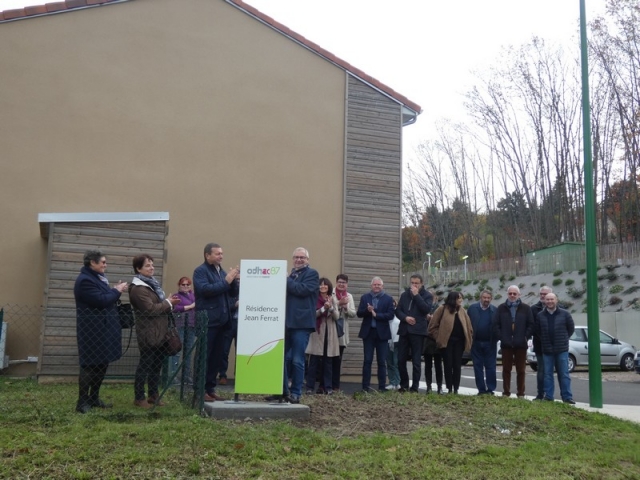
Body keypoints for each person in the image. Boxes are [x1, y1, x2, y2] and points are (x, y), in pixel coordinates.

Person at [73, 250, 128, 413]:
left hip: (103, 329)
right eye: (102, 262)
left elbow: (105, 297)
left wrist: (114, 290)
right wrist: (117, 290)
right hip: (92, 330)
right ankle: (82, 402)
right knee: (89, 365)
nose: (105, 265)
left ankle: (94, 398)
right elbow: (102, 301)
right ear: (92, 263)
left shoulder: (97, 279)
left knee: (102, 364)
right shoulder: (85, 281)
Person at [129, 254, 180, 408]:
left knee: (156, 365)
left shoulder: (151, 285)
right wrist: (167, 303)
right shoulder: (138, 289)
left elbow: (159, 305)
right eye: (147, 266)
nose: (151, 268)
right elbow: (150, 309)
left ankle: (153, 395)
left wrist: (168, 303)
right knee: (145, 365)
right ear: (138, 269)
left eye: (152, 265)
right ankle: (139, 397)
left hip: (160, 332)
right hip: (148, 333)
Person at [193, 243, 239, 402]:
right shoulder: (200, 271)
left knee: (216, 358)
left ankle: (210, 388)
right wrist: (226, 281)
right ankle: (199, 390)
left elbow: (232, 293)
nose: (221, 256)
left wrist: (234, 281)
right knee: (204, 356)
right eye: (218, 254)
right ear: (207, 255)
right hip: (208, 320)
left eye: (222, 253)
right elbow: (205, 290)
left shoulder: (221, 271)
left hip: (223, 322)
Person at [275, 247, 319, 404]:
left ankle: (296, 393)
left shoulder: (312, 274)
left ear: (308, 259)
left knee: (297, 359)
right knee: (280, 358)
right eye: (296, 257)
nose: (299, 260)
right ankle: (280, 391)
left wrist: (286, 279)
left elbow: (301, 290)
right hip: (286, 322)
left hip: (301, 323)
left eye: (302, 257)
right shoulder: (292, 275)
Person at [428, 291, 473, 394]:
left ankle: (456, 388)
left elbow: (469, 326)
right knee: (448, 364)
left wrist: (469, 337)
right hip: (446, 342)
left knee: (457, 365)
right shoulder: (442, 309)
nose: (461, 300)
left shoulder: (462, 311)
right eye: (459, 298)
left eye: (461, 298)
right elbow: (432, 326)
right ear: (453, 299)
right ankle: (449, 388)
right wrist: (439, 337)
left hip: (459, 342)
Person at [493, 285, 534, 398]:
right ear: (507, 294)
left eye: (514, 293)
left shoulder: (526, 308)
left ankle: (521, 393)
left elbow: (531, 325)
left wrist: (525, 337)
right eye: (510, 293)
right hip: (506, 345)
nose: (512, 295)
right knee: (506, 369)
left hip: (521, 344)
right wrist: (502, 337)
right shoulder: (501, 308)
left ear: (519, 295)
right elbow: (496, 325)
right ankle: (506, 392)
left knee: (521, 370)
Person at [395, 274, 433, 393]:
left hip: (418, 332)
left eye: (416, 283)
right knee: (401, 360)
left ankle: (415, 387)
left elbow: (426, 309)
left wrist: (417, 295)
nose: (414, 285)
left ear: (421, 284)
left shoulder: (427, 295)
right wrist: (405, 318)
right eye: (412, 283)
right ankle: (404, 384)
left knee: (416, 361)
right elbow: (398, 310)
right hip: (404, 330)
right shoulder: (405, 295)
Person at [356, 277, 395, 392]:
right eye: (375, 285)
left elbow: (390, 315)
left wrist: (376, 315)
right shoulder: (365, 297)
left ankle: (382, 387)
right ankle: (365, 387)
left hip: (382, 334)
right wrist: (367, 311)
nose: (376, 286)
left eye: (379, 285)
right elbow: (359, 314)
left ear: (382, 286)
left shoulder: (388, 299)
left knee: (381, 361)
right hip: (368, 333)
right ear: (371, 286)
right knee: (367, 360)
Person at [536, 293, 576, 404]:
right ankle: (548, 396)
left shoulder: (565, 314)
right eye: (547, 299)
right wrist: (545, 340)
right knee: (547, 374)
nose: (549, 301)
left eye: (551, 299)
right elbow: (538, 331)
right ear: (544, 301)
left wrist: (563, 339)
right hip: (547, 350)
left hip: (561, 350)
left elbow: (571, 329)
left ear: (556, 300)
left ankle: (567, 397)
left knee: (564, 374)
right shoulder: (540, 315)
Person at [305, 278, 340, 395]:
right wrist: (323, 308)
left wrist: (330, 307)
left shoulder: (332, 298)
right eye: (321, 285)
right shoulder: (314, 298)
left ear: (329, 287)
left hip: (330, 334)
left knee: (328, 362)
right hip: (317, 333)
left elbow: (337, 316)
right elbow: (311, 314)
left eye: (325, 285)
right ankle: (309, 387)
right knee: (313, 361)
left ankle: (327, 387)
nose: (323, 287)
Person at [467, 289, 498, 395]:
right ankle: (481, 390)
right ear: (480, 298)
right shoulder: (472, 309)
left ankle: (490, 389)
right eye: (484, 297)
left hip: (490, 343)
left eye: (488, 298)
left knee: (491, 367)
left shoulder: (495, 310)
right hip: (476, 343)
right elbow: (467, 324)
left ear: (491, 299)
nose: (486, 300)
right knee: (477, 367)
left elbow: (498, 326)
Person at [332, 273, 356, 392]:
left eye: (344, 283)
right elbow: (328, 306)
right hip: (330, 330)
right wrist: (338, 303)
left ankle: (336, 385)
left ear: (347, 284)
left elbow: (353, 313)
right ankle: (325, 384)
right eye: (339, 282)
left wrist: (346, 307)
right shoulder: (330, 293)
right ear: (336, 282)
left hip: (342, 332)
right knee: (327, 359)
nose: (341, 284)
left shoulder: (349, 296)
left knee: (337, 359)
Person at [171, 277, 196, 385]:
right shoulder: (176, 296)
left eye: (188, 285)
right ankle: (173, 376)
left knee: (188, 352)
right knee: (176, 351)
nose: (185, 286)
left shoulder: (193, 296)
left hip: (191, 326)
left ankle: (186, 376)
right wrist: (190, 306)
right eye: (183, 284)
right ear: (179, 285)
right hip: (180, 326)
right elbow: (175, 308)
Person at [530, 286, 552, 400]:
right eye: (541, 294)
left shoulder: (560, 308)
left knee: (558, 372)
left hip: (555, 346)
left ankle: (550, 395)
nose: (543, 296)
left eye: (545, 294)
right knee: (542, 371)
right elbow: (533, 327)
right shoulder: (534, 309)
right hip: (540, 346)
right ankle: (540, 394)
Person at [424, 289, 444, 394]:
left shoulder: (440, 308)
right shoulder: (423, 307)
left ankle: (440, 386)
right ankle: (428, 386)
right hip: (427, 339)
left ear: (435, 298)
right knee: (428, 365)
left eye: (432, 297)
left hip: (437, 339)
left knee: (438, 365)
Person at [218, 291, 239, 385]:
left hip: (243, 325)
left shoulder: (249, 291)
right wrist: (235, 305)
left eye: (240, 279)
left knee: (240, 352)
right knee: (224, 351)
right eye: (237, 279)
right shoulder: (229, 292)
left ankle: (238, 376)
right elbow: (224, 307)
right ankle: (222, 375)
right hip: (229, 324)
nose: (238, 281)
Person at [385, 300, 401, 390]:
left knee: (396, 362)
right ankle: (392, 382)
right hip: (387, 341)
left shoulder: (398, 315)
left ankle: (398, 382)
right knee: (389, 362)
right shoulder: (386, 315)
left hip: (397, 341)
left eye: (393, 304)